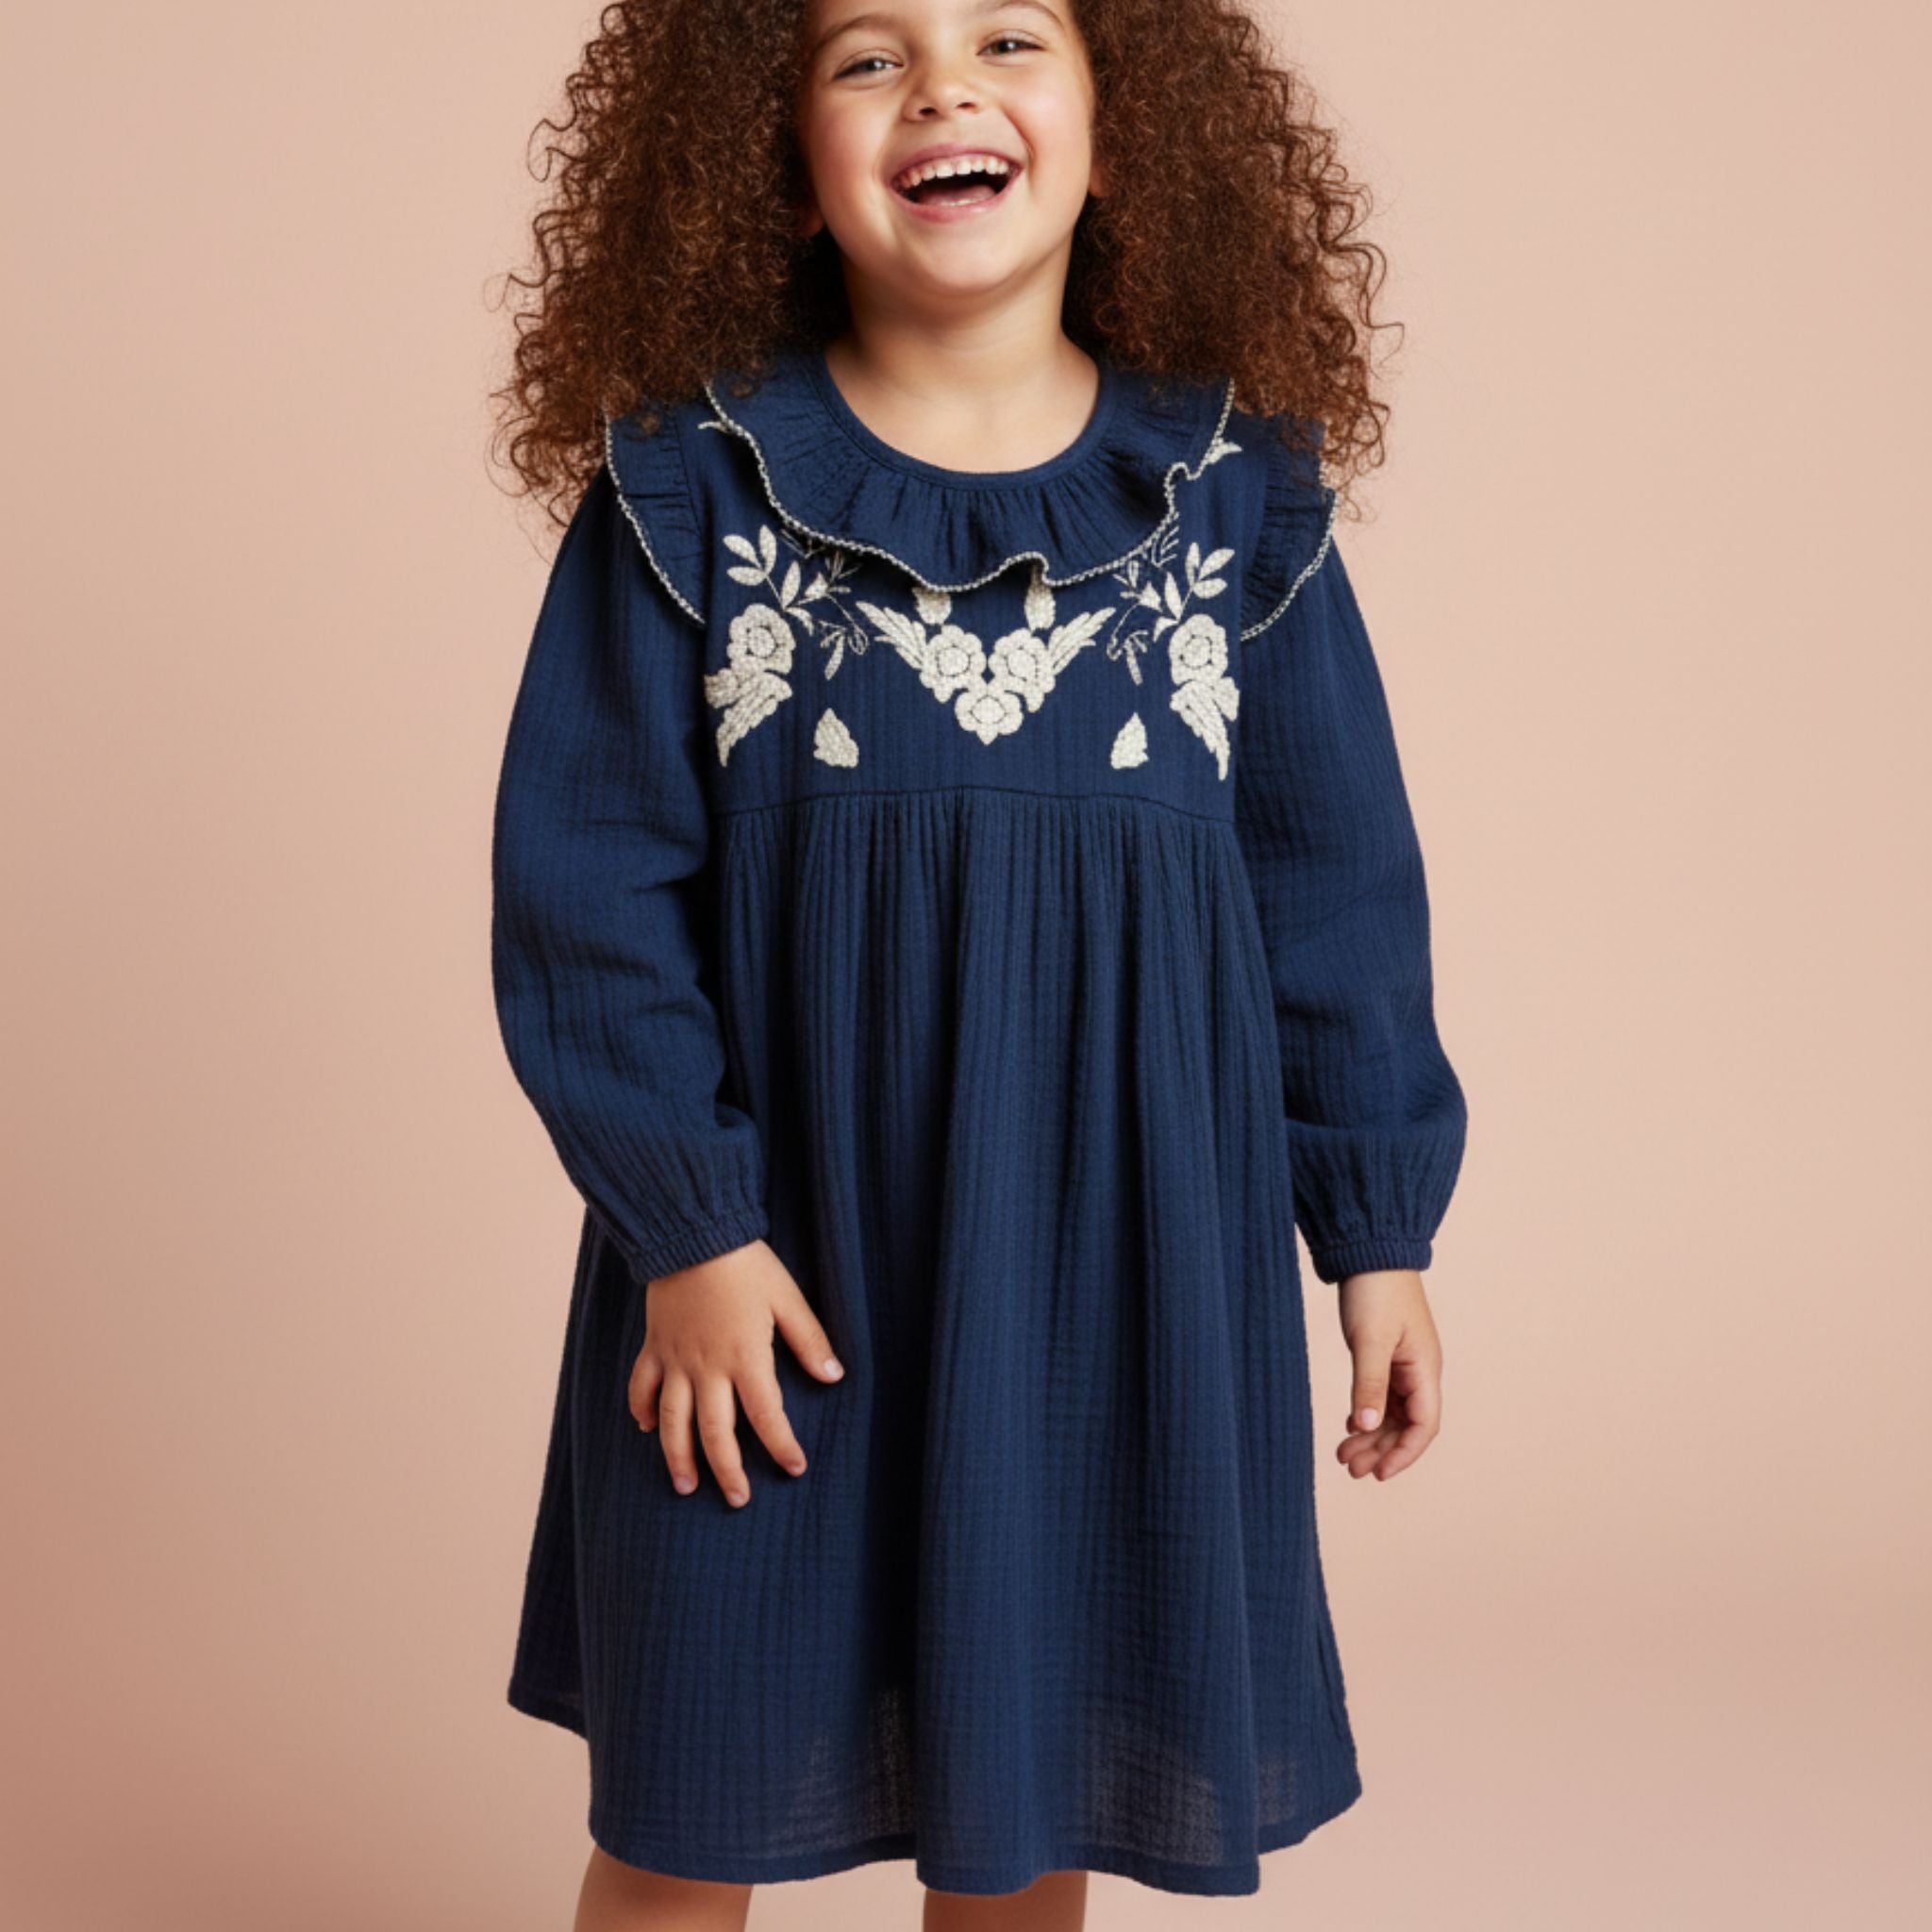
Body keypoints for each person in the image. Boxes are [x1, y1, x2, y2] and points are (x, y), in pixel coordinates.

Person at [488, 1, 1470, 1924]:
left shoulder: (1226, 502)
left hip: (1116, 1278)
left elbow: (1333, 881)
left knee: (1038, 1792)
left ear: (1126, 123)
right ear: (769, 149)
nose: (942, 84)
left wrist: (1378, 1233)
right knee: (686, 1804)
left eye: (1010, 36)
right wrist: (686, 1231)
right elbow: (584, 890)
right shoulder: (695, 491)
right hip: (769, 1287)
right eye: (867, 54)